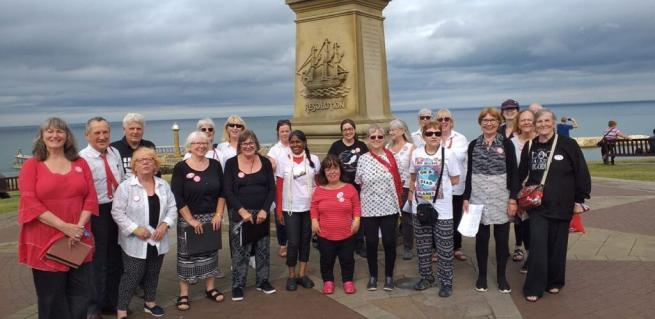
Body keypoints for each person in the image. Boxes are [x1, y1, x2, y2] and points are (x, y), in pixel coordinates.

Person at [18, 117, 98, 319]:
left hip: (79, 238)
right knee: (51, 297)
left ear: (67, 136)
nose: (55, 135)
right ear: (42, 136)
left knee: (81, 294)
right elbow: (30, 203)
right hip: (45, 240)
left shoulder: (80, 163)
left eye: (60, 131)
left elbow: (91, 198)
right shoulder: (32, 165)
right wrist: (65, 227)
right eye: (50, 131)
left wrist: (77, 228)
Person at [519, 109, 591, 302]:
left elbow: (581, 172)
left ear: (553, 123)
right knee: (538, 245)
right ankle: (534, 286)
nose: (543, 124)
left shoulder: (568, 144)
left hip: (562, 204)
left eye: (546, 121)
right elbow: (521, 174)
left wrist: (580, 200)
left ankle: (555, 281)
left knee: (558, 246)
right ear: (535, 125)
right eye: (539, 121)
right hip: (538, 206)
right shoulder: (530, 146)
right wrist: (513, 197)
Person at [111, 147, 177, 319]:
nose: (146, 162)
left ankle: (150, 303)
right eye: (141, 160)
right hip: (135, 241)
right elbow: (117, 212)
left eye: (150, 159)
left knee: (153, 272)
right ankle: (122, 310)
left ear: (155, 164)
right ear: (135, 165)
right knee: (132, 275)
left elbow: (172, 208)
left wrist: (165, 225)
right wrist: (134, 229)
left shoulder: (163, 185)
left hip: (157, 238)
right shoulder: (126, 187)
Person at [463, 107, 519, 294]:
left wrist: (512, 199)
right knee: (482, 239)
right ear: (480, 124)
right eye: (485, 120)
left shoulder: (507, 144)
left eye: (492, 120)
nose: (489, 123)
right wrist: (466, 197)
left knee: (502, 240)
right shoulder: (473, 145)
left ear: (498, 122)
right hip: (478, 197)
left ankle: (502, 277)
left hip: (500, 197)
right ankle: (482, 276)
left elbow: (514, 173)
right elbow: (469, 173)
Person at [171, 132, 227, 311]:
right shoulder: (181, 167)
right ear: (189, 146)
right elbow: (177, 196)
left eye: (205, 143)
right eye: (196, 143)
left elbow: (223, 192)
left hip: (211, 217)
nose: (201, 146)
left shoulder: (216, 165)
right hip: (188, 219)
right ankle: (184, 294)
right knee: (186, 257)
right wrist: (190, 219)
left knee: (211, 254)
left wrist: (218, 214)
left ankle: (210, 288)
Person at [79, 117, 126, 318]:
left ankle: (112, 302)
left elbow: (122, 180)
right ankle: (93, 308)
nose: (102, 136)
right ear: (87, 135)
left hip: (117, 210)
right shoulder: (82, 158)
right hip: (96, 212)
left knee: (116, 259)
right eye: (97, 133)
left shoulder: (114, 153)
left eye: (105, 132)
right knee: (97, 261)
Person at [408, 119, 461, 297]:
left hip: (443, 210)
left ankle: (446, 281)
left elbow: (455, 179)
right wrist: (413, 194)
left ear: (441, 135)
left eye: (437, 133)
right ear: (423, 136)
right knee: (423, 248)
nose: (433, 136)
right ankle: (426, 277)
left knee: (445, 248)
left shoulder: (449, 154)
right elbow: (413, 177)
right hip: (420, 207)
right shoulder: (416, 153)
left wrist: (438, 189)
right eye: (429, 133)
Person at [224, 130, 277, 301]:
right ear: (239, 145)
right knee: (240, 251)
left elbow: (271, 189)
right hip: (240, 216)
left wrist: (265, 210)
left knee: (262, 250)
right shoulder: (231, 163)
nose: (248, 146)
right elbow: (228, 191)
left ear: (256, 144)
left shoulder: (265, 163)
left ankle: (263, 281)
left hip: (261, 213)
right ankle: (238, 285)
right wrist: (242, 211)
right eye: (245, 143)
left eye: (251, 143)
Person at [355, 124, 402, 291]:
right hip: (368, 208)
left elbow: (398, 180)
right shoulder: (362, 159)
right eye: (372, 137)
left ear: (385, 139)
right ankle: (373, 276)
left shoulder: (392, 157)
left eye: (379, 137)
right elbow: (359, 181)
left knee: (390, 242)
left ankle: (389, 276)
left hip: (389, 207)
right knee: (372, 243)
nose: (376, 140)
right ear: (368, 139)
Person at [275, 130, 320, 291]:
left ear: (304, 143)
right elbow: (279, 186)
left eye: (298, 142)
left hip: (309, 207)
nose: (295, 144)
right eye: (292, 142)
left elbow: (318, 184)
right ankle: (291, 275)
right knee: (293, 242)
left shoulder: (313, 160)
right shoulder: (283, 160)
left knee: (305, 242)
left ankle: (302, 274)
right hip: (290, 208)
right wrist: (279, 209)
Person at [311, 155, 361, 295]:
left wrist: (356, 220)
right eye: (328, 169)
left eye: (335, 168)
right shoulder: (319, 190)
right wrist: (314, 221)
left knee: (347, 260)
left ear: (340, 170)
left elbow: (356, 207)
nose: (332, 172)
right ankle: (328, 281)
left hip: (347, 233)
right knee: (326, 260)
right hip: (325, 233)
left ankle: (347, 281)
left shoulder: (350, 188)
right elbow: (313, 207)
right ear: (324, 172)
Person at [327, 119, 368, 257]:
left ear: (354, 130)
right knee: (343, 215)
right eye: (345, 129)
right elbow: (330, 164)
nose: (348, 132)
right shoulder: (336, 146)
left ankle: (359, 244)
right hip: (341, 186)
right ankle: (346, 242)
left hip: (358, 187)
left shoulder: (361, 146)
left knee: (358, 216)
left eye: (350, 129)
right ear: (342, 132)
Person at [436, 108, 469, 262]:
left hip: (457, 186)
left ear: (451, 121)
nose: (443, 122)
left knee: (456, 218)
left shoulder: (461, 138)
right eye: (440, 119)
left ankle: (456, 247)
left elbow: (464, 161)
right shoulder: (432, 137)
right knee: (438, 218)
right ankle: (437, 249)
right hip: (438, 187)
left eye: (446, 119)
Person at [510, 110, 537, 274]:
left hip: (541, 191)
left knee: (538, 226)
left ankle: (538, 257)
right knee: (524, 225)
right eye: (523, 120)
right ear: (518, 123)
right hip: (521, 191)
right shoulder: (511, 143)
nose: (526, 123)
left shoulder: (542, 140)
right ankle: (529, 256)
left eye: (530, 120)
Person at [386, 119, 416, 260]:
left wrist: (411, 190)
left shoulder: (411, 148)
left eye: (394, 130)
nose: (391, 132)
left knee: (407, 218)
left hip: (405, 187)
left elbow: (414, 172)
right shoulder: (387, 147)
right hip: (390, 188)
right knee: (391, 218)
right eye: (390, 130)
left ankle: (408, 246)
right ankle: (391, 244)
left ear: (402, 131)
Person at [267, 119, 292, 258]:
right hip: (280, 186)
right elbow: (270, 164)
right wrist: (272, 164)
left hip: (295, 186)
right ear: (278, 132)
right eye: (282, 131)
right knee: (280, 216)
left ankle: (294, 242)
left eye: (287, 131)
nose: (284, 133)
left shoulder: (295, 145)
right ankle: (283, 244)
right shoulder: (274, 149)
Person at [111, 113, 157, 178]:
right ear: (124, 130)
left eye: (139, 129)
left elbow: (155, 170)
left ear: (143, 130)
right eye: (131, 128)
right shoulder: (114, 148)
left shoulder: (149, 146)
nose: (135, 132)